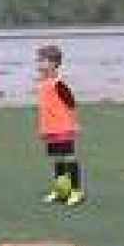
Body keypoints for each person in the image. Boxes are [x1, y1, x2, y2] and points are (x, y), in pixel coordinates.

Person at [36, 44, 85, 206]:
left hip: (63, 128)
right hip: (50, 130)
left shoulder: (59, 84)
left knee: (69, 158)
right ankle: (61, 191)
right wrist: (43, 128)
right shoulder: (43, 83)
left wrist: (75, 123)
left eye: (42, 60)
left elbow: (71, 104)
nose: (38, 64)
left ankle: (76, 191)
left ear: (53, 63)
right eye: (38, 60)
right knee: (57, 160)